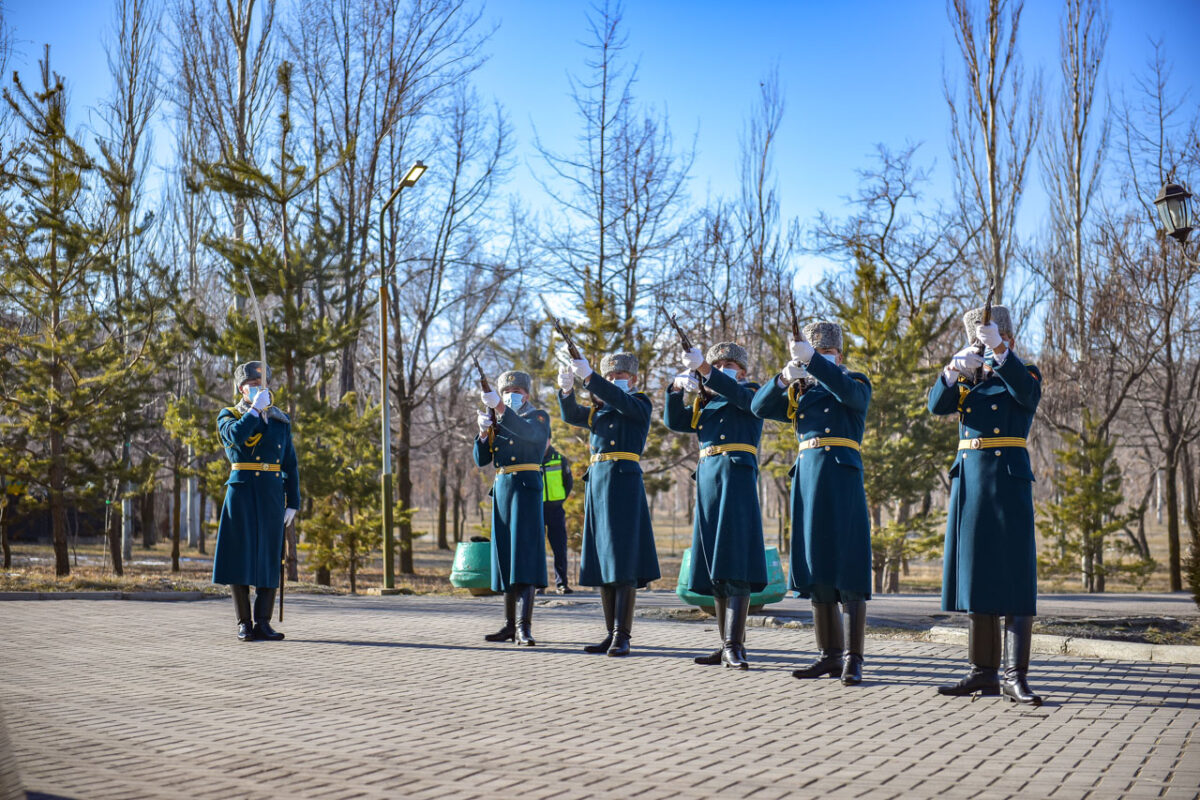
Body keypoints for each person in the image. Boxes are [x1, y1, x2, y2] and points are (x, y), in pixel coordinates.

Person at [928, 306, 1044, 705]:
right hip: (971, 483)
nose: (983, 346)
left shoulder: (1024, 371)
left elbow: (1027, 397)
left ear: (1005, 337)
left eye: (990, 338)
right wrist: (951, 371)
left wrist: (1001, 354)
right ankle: (982, 672)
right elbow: (935, 405)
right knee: (976, 576)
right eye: (978, 340)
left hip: (1008, 481)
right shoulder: (968, 379)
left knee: (1013, 575)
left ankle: (1015, 675)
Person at [751, 321, 872, 686]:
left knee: (847, 568)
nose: (819, 360)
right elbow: (758, 406)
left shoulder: (855, 382)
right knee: (817, 567)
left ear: (838, 354)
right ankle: (829, 656)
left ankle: (854, 658)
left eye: (826, 353)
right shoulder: (801, 391)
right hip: (808, 482)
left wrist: (816, 363)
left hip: (842, 478)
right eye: (814, 354)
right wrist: (785, 377)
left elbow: (851, 395)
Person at [663, 342, 766, 670]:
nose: (721, 368)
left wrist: (707, 372)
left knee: (735, 560)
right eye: (716, 363)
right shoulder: (706, 400)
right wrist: (677, 388)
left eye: (728, 365)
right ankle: (725, 644)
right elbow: (675, 420)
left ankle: (735, 645)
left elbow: (746, 400)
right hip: (708, 481)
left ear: (742, 371)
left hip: (735, 477)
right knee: (717, 567)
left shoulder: (751, 391)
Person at [557, 351, 660, 657]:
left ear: (634, 378)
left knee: (623, 559)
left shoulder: (639, 403)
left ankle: (622, 634)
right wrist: (566, 391)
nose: (615, 381)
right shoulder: (600, 411)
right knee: (604, 560)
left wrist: (591, 378)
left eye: (619, 376)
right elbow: (571, 414)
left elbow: (621, 401)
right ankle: (609, 632)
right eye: (610, 376)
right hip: (599, 485)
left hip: (624, 483)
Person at [213, 361, 299, 642]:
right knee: (240, 557)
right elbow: (235, 438)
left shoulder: (279, 420)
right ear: (241, 389)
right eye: (252, 386)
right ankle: (244, 623)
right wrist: (252, 411)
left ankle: (263, 622)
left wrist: (293, 501)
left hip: (271, 494)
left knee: (269, 558)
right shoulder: (229, 416)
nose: (259, 389)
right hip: (242, 492)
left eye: (262, 385)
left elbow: (290, 463)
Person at [473, 369, 551, 646]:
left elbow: (529, 434)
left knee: (525, 557)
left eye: (516, 392)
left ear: (527, 395)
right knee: (506, 558)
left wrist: (499, 408)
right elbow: (482, 459)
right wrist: (483, 433)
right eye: (506, 392)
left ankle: (523, 627)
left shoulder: (538, 417)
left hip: (526, 489)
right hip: (504, 490)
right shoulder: (499, 419)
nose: (511, 396)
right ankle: (508, 625)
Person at [539, 441, 575, 595]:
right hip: (537, 510)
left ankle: (562, 584)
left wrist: (560, 500)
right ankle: (539, 584)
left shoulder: (560, 459)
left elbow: (569, 482)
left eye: (546, 438)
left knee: (559, 548)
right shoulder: (532, 459)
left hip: (555, 510)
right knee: (537, 549)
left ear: (549, 440)